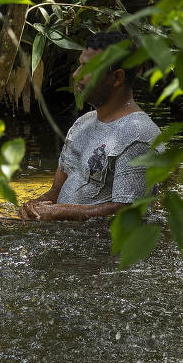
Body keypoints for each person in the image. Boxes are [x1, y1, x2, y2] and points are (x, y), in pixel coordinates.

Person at [24, 37, 160, 224]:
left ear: (117, 78)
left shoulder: (139, 134)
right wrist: (34, 206)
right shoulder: (83, 122)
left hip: (105, 248)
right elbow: (56, 190)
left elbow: (131, 211)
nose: (75, 75)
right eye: (79, 66)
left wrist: (60, 212)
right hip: (67, 236)